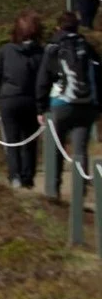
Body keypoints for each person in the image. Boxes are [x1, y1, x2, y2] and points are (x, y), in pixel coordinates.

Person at [37, 11, 100, 198]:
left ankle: (54, 189)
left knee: (56, 146)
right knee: (81, 149)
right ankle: (80, 192)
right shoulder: (87, 47)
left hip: (61, 103)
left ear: (58, 27)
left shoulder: (53, 47)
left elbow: (43, 79)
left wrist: (40, 107)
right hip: (86, 104)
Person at [0, 13, 45, 189]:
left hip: (9, 100)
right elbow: (47, 80)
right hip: (32, 101)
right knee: (30, 141)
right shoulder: (42, 52)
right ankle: (28, 178)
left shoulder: (5, 51)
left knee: (12, 141)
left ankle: (15, 176)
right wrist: (44, 106)